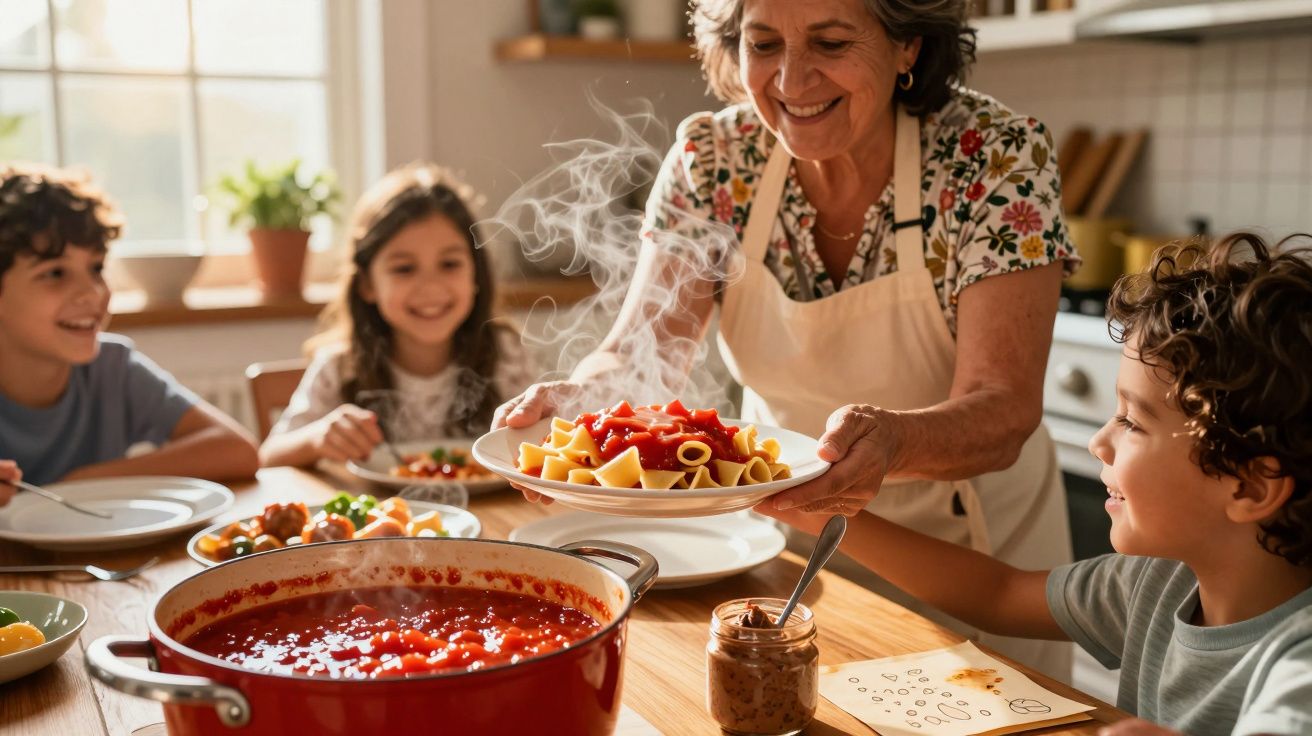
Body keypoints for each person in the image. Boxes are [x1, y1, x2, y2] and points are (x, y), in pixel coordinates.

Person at [496, 0, 1078, 676]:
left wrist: (892, 444)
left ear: (907, 46)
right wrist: (579, 402)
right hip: (791, 547)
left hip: (978, 562)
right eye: (764, 43)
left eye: (830, 43)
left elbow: (1002, 405)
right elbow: (641, 357)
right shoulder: (715, 159)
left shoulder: (994, 158)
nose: (791, 81)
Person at [764, 232, 1312, 736]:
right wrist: (809, 507)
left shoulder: (1300, 659)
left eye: (1132, 422)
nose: (1100, 442)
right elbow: (995, 593)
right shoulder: (1157, 584)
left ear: (1251, 488)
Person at [0, 163, 259, 487]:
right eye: (55, 273)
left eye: (96, 268)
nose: (92, 292)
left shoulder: (112, 369)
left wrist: (83, 483)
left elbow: (237, 451)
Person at [260, 163, 534, 467]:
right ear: (367, 285)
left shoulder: (506, 355)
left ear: (476, 275)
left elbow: (539, 445)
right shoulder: (341, 366)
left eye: (450, 264)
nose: (431, 287)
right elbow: (269, 456)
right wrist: (318, 438)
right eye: (404, 269)